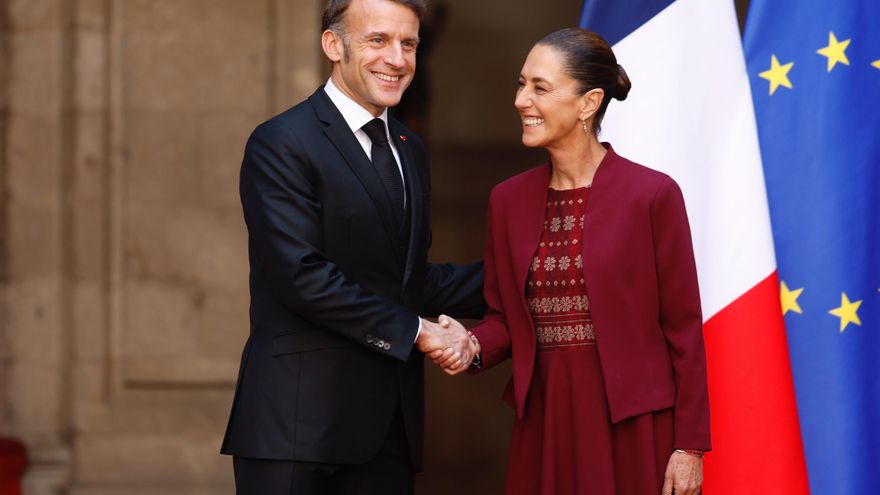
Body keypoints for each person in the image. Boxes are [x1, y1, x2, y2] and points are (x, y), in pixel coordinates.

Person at [220, 0, 484, 493]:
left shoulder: (410, 148)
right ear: (333, 45)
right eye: (378, 40)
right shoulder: (281, 141)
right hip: (295, 430)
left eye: (408, 44)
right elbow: (302, 276)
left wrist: (536, 277)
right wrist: (421, 333)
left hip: (387, 434)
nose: (397, 59)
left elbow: (406, 280)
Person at [438, 28, 710, 494]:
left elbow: (683, 330)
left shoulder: (653, 195)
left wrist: (689, 447)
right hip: (545, 421)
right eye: (521, 84)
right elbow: (506, 317)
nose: (522, 99)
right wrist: (471, 345)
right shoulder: (507, 201)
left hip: (634, 426)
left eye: (540, 88)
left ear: (589, 103)